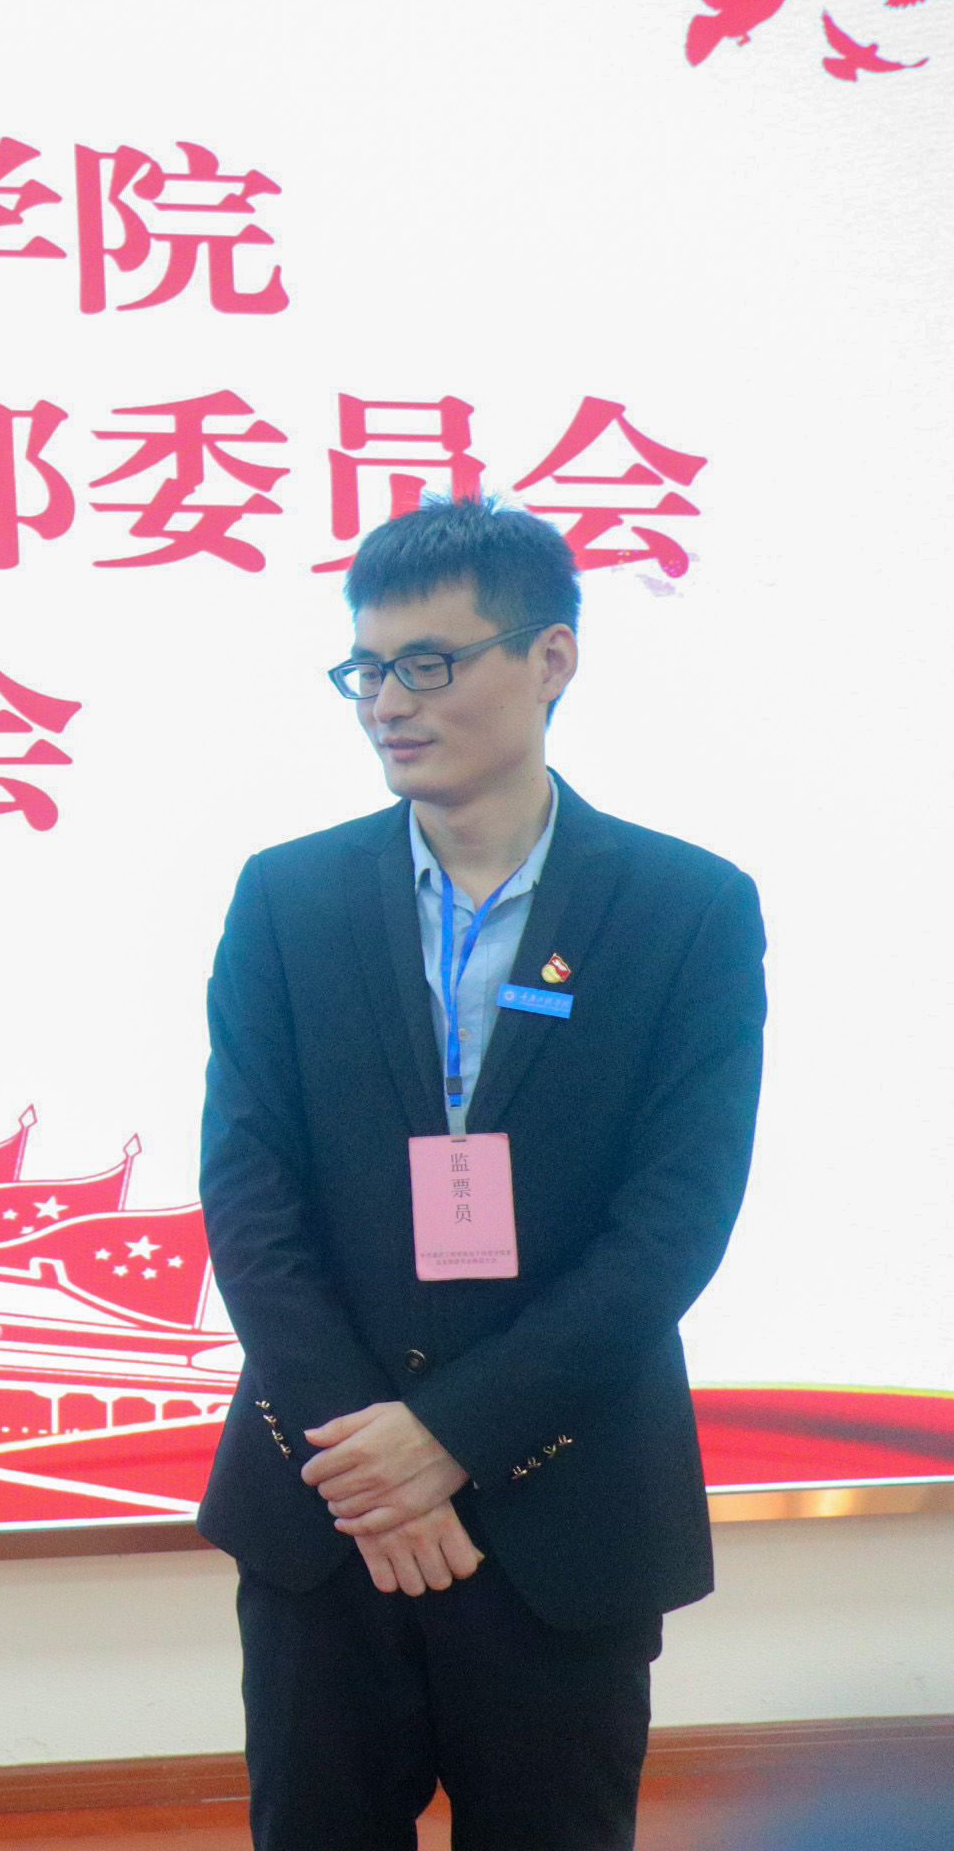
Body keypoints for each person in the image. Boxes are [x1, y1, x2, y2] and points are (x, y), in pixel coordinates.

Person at [198, 497, 767, 1849]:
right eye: (367, 669)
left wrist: (450, 1437)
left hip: (565, 1508)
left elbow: (674, 1223)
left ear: (551, 657)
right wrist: (370, 1459)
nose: (388, 703)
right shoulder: (288, 897)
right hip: (326, 1507)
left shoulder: (686, 907)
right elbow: (249, 1193)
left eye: (429, 663)